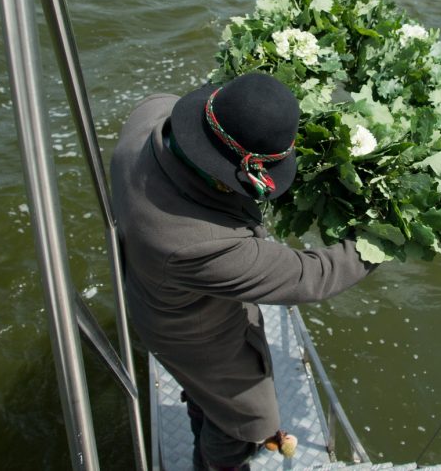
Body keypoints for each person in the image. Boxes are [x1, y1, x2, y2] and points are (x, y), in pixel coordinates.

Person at [110, 73, 376, 470]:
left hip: (153, 297)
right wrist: (384, 241)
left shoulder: (152, 113)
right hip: (195, 337)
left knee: (203, 394)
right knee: (247, 422)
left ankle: (201, 406)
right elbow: (312, 275)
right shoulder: (197, 244)